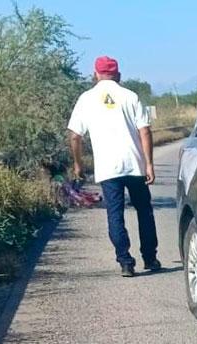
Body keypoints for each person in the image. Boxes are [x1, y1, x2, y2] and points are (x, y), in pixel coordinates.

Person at [67, 56, 160, 277]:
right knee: (144, 211)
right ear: (118, 75)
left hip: (108, 168)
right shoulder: (130, 96)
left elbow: (74, 136)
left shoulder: (86, 99)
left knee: (115, 214)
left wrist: (78, 164)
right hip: (135, 164)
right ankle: (150, 257)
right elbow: (144, 131)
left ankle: (126, 262)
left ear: (95, 75)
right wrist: (149, 164)